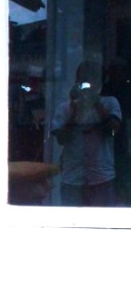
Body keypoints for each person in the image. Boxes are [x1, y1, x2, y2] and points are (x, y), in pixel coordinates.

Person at [51, 59, 122, 207]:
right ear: (77, 82)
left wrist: (96, 104)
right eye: (84, 82)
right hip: (73, 177)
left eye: (92, 81)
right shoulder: (66, 108)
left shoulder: (110, 103)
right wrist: (76, 109)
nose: (87, 87)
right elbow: (61, 139)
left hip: (101, 176)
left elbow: (114, 131)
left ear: (100, 83)